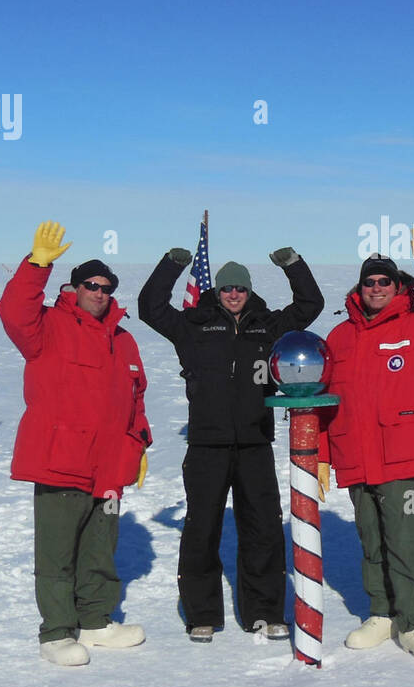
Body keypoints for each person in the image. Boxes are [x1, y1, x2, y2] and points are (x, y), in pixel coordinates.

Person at [138, 244, 323, 643]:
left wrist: (293, 265)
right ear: (216, 291)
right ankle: (202, 614)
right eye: (226, 289)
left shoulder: (267, 325)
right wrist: (172, 265)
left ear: (249, 290)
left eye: (239, 288)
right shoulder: (194, 324)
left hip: (255, 442)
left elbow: (310, 303)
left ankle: (265, 611)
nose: (233, 294)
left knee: (262, 529)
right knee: (202, 529)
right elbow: (150, 307)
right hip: (206, 444)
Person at [0, 222, 152, 666]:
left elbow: (136, 396)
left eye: (107, 287)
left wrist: (138, 444)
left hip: (109, 467)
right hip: (60, 460)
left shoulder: (123, 340)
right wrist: (37, 265)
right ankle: (57, 632)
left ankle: (96, 622)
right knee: (57, 554)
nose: (100, 293)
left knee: (99, 549)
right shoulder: (46, 326)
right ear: (75, 287)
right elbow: (13, 311)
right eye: (91, 285)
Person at [317, 228, 414, 659]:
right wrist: (325, 457)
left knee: (405, 540)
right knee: (370, 539)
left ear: (399, 286)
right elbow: (328, 403)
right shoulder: (339, 337)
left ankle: (413, 622)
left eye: (386, 281)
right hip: (356, 456)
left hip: (403, 457)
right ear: (359, 287)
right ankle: (381, 614)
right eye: (370, 281)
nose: (377, 288)